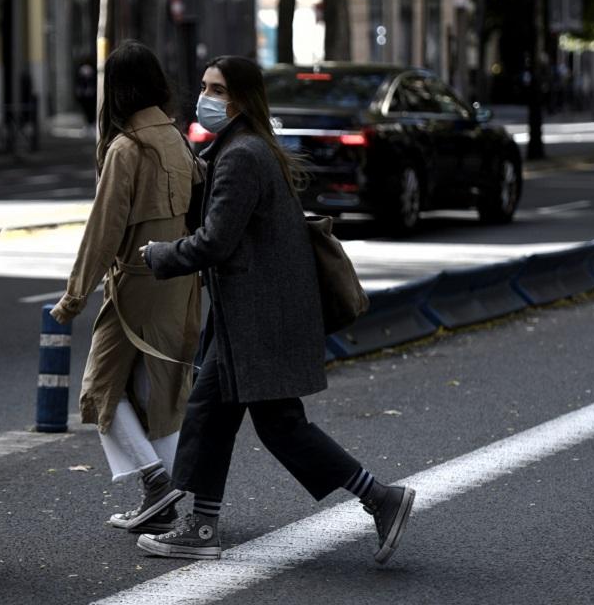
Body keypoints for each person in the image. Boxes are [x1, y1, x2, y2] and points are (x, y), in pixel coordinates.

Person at [137, 56, 415, 564]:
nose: (205, 96)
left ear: (240, 98)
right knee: (262, 422)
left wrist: (158, 256)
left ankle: (203, 528)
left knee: (220, 415)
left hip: (256, 317)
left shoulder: (242, 154)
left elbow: (216, 241)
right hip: (256, 312)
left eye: (216, 89)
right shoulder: (244, 147)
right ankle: (378, 498)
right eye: (203, 86)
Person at [50, 40, 203, 536]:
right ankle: (167, 498)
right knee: (158, 391)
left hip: (136, 285)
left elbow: (104, 232)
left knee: (101, 390)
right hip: (180, 282)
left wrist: (74, 296)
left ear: (114, 90)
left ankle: (158, 485)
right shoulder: (178, 139)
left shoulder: (127, 148)